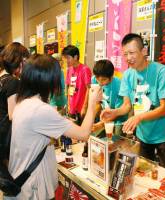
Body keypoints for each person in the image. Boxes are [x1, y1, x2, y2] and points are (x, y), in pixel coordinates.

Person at [5, 54, 102, 200]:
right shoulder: (40, 109)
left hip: (20, 181)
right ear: (47, 80)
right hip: (33, 189)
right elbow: (83, 134)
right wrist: (93, 102)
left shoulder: (23, 102)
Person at [101, 33, 165, 172]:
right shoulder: (128, 75)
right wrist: (114, 112)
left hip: (164, 137)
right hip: (143, 137)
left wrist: (139, 117)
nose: (128, 58)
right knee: (144, 174)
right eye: (125, 54)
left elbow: (164, 108)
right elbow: (126, 106)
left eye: (131, 53)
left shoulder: (161, 71)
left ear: (144, 51)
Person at [0, 42, 29, 161]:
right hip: (6, 137)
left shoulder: (2, 78)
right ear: (19, 60)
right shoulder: (13, 82)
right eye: (25, 59)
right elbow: (13, 115)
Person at [91, 59, 127, 133]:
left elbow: (118, 111)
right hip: (104, 116)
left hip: (119, 119)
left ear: (111, 76)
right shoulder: (94, 80)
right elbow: (97, 103)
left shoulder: (119, 85)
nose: (100, 83)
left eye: (103, 79)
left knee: (116, 139)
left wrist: (101, 124)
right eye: (98, 79)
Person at [62, 45, 92, 125]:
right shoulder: (69, 70)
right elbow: (69, 87)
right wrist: (68, 103)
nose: (66, 61)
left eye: (68, 58)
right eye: (65, 58)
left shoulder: (85, 69)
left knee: (82, 134)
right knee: (73, 134)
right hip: (72, 107)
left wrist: (85, 107)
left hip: (81, 108)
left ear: (75, 57)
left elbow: (89, 89)